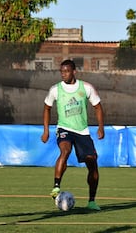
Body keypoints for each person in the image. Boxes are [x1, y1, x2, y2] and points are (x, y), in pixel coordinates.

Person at [41, 59, 105, 211]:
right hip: (65, 128)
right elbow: (46, 108)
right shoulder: (55, 89)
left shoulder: (86, 87)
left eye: (66, 71)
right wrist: (46, 130)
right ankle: (56, 186)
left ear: (74, 71)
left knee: (92, 164)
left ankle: (91, 201)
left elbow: (98, 107)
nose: (63, 74)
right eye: (61, 71)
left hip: (82, 131)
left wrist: (101, 127)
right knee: (65, 150)